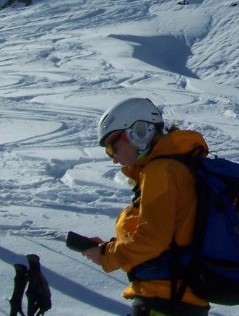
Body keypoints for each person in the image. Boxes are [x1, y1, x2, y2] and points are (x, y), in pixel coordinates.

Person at [81, 97, 210, 316]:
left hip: (165, 299)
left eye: (113, 147)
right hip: (179, 297)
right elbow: (168, 235)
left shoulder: (161, 171)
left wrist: (107, 255)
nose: (114, 158)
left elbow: (152, 241)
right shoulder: (176, 165)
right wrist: (110, 247)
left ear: (137, 133)